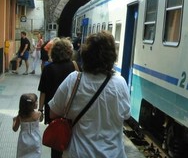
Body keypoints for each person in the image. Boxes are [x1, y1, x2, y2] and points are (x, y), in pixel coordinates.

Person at [49, 30, 131, 158]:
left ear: (85, 54)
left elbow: (53, 113)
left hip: (78, 153)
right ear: (112, 56)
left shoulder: (73, 80)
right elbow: (126, 115)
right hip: (113, 154)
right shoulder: (120, 83)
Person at [38, 38, 78, 158]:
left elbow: (43, 92)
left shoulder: (48, 69)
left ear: (53, 52)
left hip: (54, 111)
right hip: (71, 109)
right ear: (69, 52)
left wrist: (40, 110)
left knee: (56, 141)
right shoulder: (74, 66)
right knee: (71, 138)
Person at [12, 93, 43, 158]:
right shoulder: (38, 114)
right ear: (32, 105)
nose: (37, 103)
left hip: (23, 141)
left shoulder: (20, 116)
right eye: (36, 101)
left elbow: (15, 129)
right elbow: (41, 120)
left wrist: (14, 121)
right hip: (36, 140)